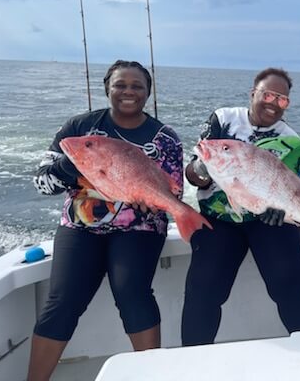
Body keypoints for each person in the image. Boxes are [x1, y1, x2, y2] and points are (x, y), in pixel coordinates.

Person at [27, 60, 183, 381]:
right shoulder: (79, 128)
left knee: (132, 292)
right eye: (120, 85)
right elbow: (42, 183)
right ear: (107, 88)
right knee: (62, 300)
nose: (128, 91)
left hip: (140, 228)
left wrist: (151, 200)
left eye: (137, 86)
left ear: (147, 93)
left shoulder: (165, 138)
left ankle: (152, 375)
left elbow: (173, 192)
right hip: (80, 227)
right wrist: (76, 164)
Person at [182, 67, 300, 346]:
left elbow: (286, 188)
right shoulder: (223, 120)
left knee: (291, 287)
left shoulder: (292, 141)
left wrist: (280, 211)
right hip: (219, 220)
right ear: (253, 94)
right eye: (267, 95)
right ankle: (192, 362)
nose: (273, 103)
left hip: (268, 221)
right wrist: (200, 168)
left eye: (282, 99)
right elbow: (194, 177)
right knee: (203, 290)